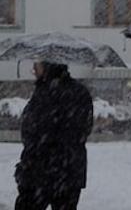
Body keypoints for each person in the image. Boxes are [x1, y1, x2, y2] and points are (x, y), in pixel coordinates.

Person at [15, 61, 93, 210]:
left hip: (41, 170)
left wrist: (28, 162)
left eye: (36, 65)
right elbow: (84, 128)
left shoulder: (44, 93)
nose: (33, 69)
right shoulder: (80, 91)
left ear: (47, 66)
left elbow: (33, 130)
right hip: (70, 171)